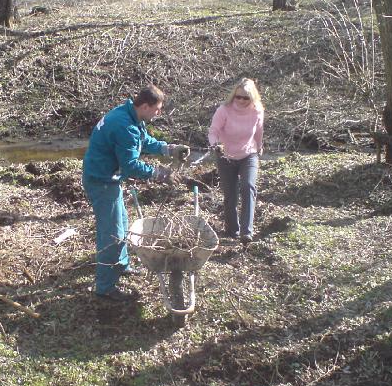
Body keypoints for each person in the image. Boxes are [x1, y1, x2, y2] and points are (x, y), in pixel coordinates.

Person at [82, 84, 190, 302]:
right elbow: (130, 165)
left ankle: (121, 265)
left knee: (121, 224)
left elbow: (144, 141)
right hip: (101, 182)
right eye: (157, 109)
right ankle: (105, 288)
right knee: (111, 236)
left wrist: (168, 148)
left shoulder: (129, 114)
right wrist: (159, 173)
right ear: (145, 105)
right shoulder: (125, 126)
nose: (159, 113)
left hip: (108, 179)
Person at [208, 77, 264, 245]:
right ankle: (232, 230)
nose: (240, 100)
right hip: (225, 156)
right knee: (230, 195)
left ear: (252, 98)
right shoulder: (224, 110)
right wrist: (214, 144)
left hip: (249, 154)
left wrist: (260, 147)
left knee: (248, 186)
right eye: (237, 97)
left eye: (245, 98)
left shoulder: (257, 111)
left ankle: (247, 232)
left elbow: (259, 131)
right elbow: (213, 131)